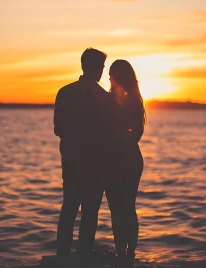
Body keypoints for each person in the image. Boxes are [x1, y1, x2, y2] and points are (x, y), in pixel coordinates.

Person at [53, 48, 112, 267]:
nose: (102, 71)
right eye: (102, 67)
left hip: (72, 161)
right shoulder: (104, 98)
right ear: (95, 68)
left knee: (69, 208)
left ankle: (63, 256)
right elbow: (109, 134)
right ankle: (83, 256)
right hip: (94, 164)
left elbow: (58, 128)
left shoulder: (65, 92)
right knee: (89, 211)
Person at [105, 60, 146, 268]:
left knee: (122, 209)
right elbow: (135, 133)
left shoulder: (122, 101)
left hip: (123, 160)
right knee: (124, 209)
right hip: (124, 159)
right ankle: (125, 255)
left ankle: (126, 255)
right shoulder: (132, 101)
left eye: (112, 73)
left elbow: (133, 133)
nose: (109, 77)